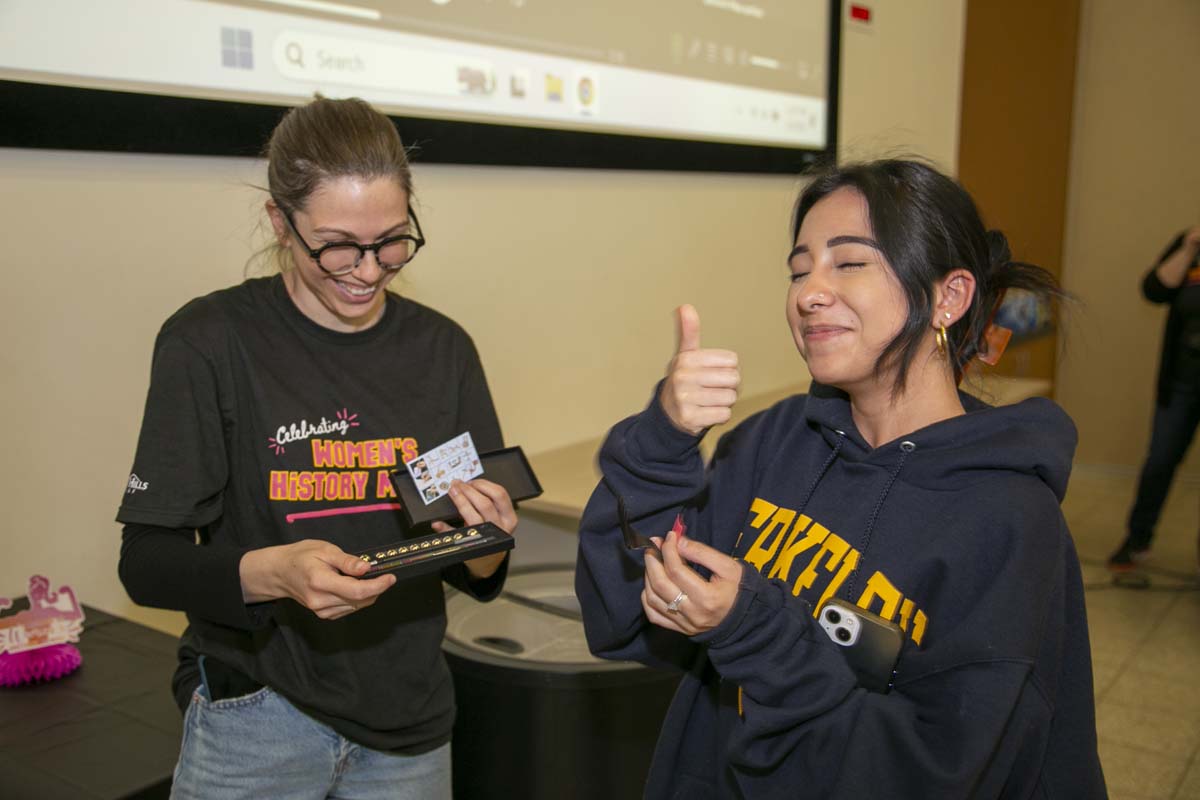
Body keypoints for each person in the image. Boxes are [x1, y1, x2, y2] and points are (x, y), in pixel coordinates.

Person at [575, 159, 1106, 799]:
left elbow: (932, 772)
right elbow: (620, 617)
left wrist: (753, 631)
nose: (808, 293)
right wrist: (662, 440)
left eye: (848, 262)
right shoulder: (772, 441)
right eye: (800, 269)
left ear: (950, 296)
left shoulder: (1010, 518)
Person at [116, 96, 517, 799]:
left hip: (410, 725)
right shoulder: (210, 342)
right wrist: (273, 572)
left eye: (392, 240)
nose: (367, 269)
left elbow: (472, 566)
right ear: (279, 221)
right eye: (336, 245)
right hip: (259, 718)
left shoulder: (442, 349)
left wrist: (488, 540)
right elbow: (146, 566)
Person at [1109, 225, 1200, 571]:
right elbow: (1154, 290)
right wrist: (1189, 247)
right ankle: (1137, 540)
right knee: (1159, 460)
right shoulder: (1188, 244)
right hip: (1181, 382)